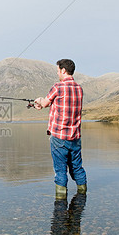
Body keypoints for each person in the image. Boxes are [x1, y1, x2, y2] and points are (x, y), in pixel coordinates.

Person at [34, 59, 87, 199]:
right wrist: (44, 104)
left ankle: (60, 204)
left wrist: (38, 101)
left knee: (60, 170)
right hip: (75, 137)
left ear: (63, 70)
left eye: (58, 70)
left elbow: (44, 103)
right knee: (77, 168)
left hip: (59, 137)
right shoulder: (79, 88)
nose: (57, 73)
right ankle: (82, 195)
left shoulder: (57, 87)